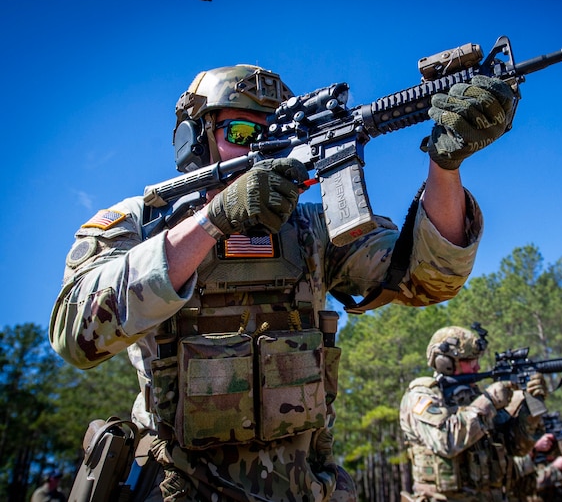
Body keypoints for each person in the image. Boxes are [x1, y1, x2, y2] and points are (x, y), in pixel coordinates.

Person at [49, 64, 517, 501]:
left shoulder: (314, 229)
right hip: (179, 486)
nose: (258, 149)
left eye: (274, 132)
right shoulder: (140, 224)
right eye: (241, 132)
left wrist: (446, 167)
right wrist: (215, 220)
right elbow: (77, 336)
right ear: (195, 140)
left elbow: (428, 279)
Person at [398, 325, 550, 501]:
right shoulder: (422, 395)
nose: (477, 366)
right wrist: (489, 402)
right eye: (470, 360)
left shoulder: (474, 398)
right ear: (445, 363)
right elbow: (445, 441)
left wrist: (532, 406)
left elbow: (517, 447)